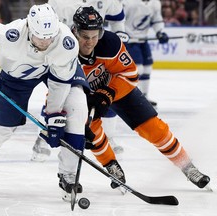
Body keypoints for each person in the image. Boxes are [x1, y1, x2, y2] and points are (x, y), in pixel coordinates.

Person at [0, 3, 89, 199]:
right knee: (0, 129)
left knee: (77, 107)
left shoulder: (65, 42)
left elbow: (60, 83)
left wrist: (54, 114)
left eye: (49, 38)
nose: (45, 43)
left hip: (58, 72)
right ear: (29, 28)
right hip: (17, 77)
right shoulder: (10, 35)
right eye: (40, 38)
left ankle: (68, 173)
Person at [72, 6, 210, 189]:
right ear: (75, 31)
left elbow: (130, 75)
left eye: (94, 36)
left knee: (155, 128)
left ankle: (187, 166)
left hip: (115, 88)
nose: (90, 42)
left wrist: (108, 92)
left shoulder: (110, 43)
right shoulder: (65, 49)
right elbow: (57, 85)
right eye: (85, 37)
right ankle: (111, 165)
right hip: (84, 93)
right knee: (92, 131)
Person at [31, 0, 127, 162]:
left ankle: (109, 137)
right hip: (66, 54)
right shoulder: (59, 2)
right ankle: (44, 137)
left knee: (104, 93)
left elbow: (118, 16)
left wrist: (120, 33)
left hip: (95, 52)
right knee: (59, 94)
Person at [122, 0, 169, 107]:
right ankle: (132, 98)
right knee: (137, 69)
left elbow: (157, 19)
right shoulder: (128, 2)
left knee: (147, 68)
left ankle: (144, 96)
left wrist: (159, 32)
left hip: (143, 40)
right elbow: (120, 20)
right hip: (131, 41)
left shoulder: (155, 3)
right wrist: (123, 34)